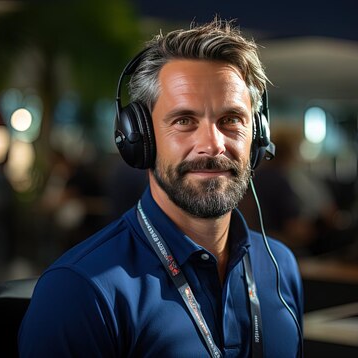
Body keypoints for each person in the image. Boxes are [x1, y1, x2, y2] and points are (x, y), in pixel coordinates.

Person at [19, 17, 303, 357]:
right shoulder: (80, 290)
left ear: (257, 136)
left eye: (231, 120)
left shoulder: (279, 267)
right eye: (184, 120)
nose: (212, 145)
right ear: (140, 138)